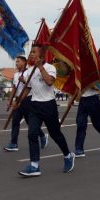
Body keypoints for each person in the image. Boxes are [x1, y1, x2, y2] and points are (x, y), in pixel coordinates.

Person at [17, 45, 74, 177]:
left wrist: (40, 67)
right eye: (30, 52)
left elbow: (49, 82)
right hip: (35, 106)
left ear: (41, 55)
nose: (31, 54)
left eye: (34, 52)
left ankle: (67, 155)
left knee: (55, 134)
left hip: (48, 105)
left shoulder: (50, 68)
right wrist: (18, 101)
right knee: (32, 134)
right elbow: (27, 88)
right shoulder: (30, 71)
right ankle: (34, 165)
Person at [4, 55, 48, 152]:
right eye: (16, 61)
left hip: (28, 99)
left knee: (30, 122)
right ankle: (13, 143)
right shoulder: (16, 75)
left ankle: (42, 135)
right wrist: (10, 100)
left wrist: (24, 81)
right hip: (17, 100)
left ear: (24, 62)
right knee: (15, 121)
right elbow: (14, 88)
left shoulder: (30, 72)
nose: (16, 63)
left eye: (18, 61)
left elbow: (32, 86)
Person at [74, 85, 100, 157]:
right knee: (80, 123)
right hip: (82, 99)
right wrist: (72, 99)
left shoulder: (96, 73)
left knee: (98, 124)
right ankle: (79, 148)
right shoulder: (78, 73)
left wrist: (88, 83)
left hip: (93, 99)